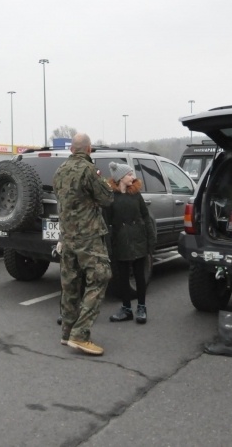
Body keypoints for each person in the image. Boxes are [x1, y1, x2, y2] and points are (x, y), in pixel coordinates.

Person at [53, 133, 114, 356]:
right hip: (88, 237)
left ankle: (67, 332)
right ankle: (80, 334)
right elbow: (107, 199)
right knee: (100, 277)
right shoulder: (88, 170)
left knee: (69, 283)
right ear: (88, 150)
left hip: (67, 237)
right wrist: (105, 182)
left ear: (71, 149)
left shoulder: (59, 171)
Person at [106, 162, 155, 324]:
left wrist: (150, 240)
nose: (133, 177)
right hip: (120, 241)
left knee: (140, 276)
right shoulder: (111, 197)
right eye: (129, 175)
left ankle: (142, 308)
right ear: (120, 178)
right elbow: (105, 222)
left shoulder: (136, 194)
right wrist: (107, 245)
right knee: (123, 277)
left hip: (138, 239)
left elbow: (146, 217)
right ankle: (126, 309)